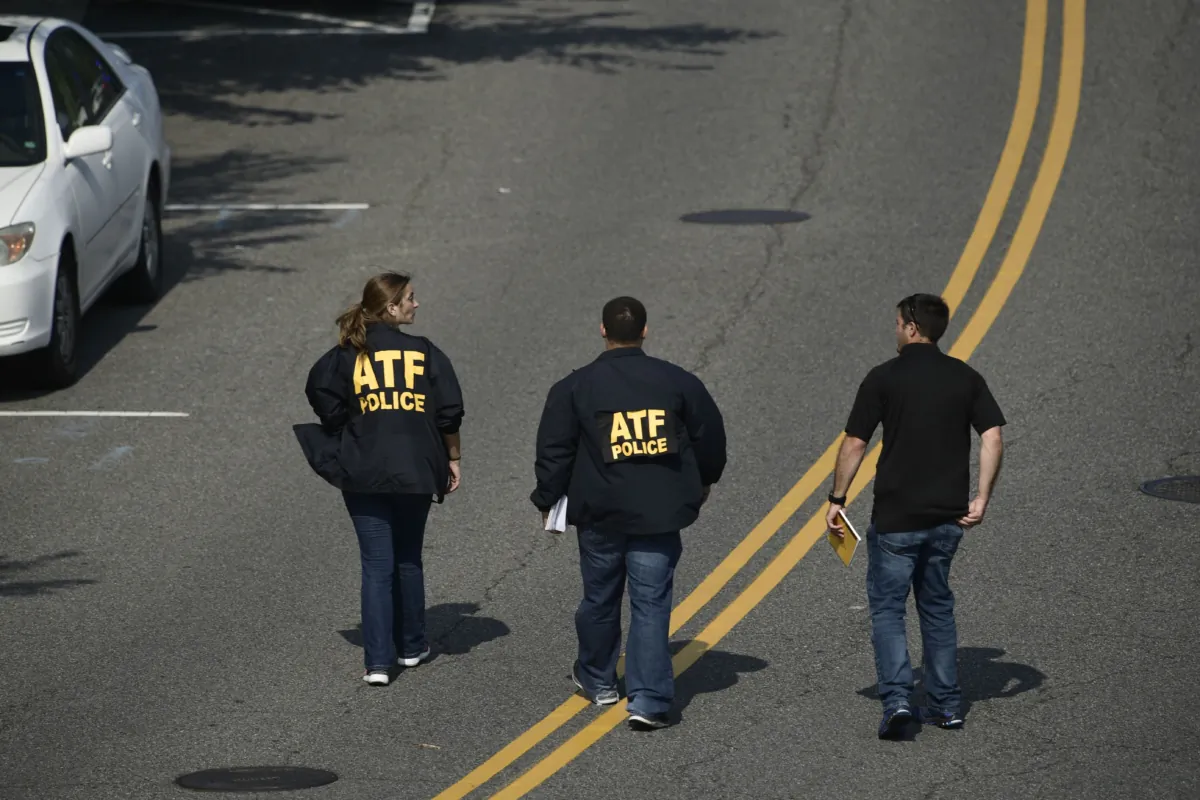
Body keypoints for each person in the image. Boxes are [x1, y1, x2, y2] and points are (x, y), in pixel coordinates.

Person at [530, 296, 727, 730]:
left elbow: (554, 449)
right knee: (651, 604)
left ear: (602, 331)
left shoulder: (575, 386)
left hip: (600, 516)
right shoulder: (676, 381)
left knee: (599, 597)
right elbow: (709, 436)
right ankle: (650, 700)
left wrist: (548, 498)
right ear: (645, 330)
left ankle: (599, 678)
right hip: (658, 515)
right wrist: (704, 481)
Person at [826, 293, 1005, 738]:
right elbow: (993, 436)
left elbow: (855, 443)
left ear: (909, 326)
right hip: (947, 518)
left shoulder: (884, 378)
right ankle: (946, 706)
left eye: (896, 322)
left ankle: (898, 701)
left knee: (888, 609)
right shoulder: (965, 377)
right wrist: (980, 498)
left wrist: (837, 497)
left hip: (896, 519)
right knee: (937, 608)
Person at [294, 272, 465, 687]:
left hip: (364, 470)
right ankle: (410, 646)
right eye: (410, 298)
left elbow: (321, 392)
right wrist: (453, 458)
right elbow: (449, 412)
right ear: (390, 308)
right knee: (408, 557)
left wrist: (345, 421)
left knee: (376, 565)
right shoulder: (424, 352)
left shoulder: (346, 355)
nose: (416, 304)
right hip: (416, 469)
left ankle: (377, 663)